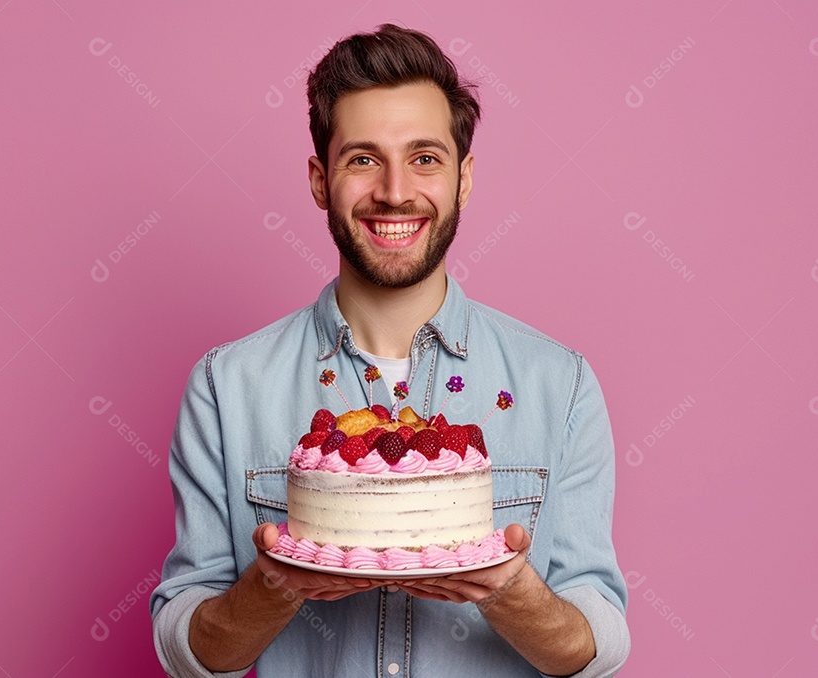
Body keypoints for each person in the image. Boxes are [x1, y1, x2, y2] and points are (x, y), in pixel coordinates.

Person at [150, 24, 630, 677]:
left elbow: (598, 647)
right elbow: (187, 650)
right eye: (364, 159)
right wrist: (276, 585)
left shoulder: (560, 384)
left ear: (463, 179)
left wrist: (508, 590)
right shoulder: (225, 385)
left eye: (425, 158)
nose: (396, 191)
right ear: (321, 181)